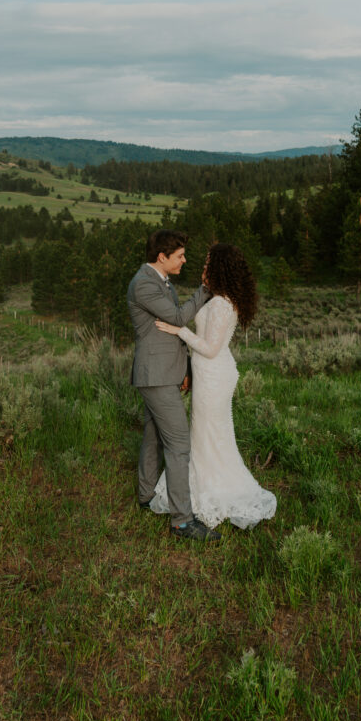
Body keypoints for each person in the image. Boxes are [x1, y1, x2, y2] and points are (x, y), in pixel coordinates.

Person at [153, 243, 276, 530]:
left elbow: (209, 348)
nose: (203, 266)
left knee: (209, 434)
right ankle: (196, 489)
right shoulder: (217, 298)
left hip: (214, 375)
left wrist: (179, 330)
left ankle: (214, 492)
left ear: (220, 267)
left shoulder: (222, 304)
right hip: (207, 374)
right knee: (205, 434)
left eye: (209, 262)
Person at [127, 229, 221, 541]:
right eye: (179, 256)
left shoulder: (160, 281)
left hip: (164, 372)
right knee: (179, 445)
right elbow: (179, 318)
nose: (184, 260)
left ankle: (145, 495)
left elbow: (168, 332)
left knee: (154, 435)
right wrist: (205, 288)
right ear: (161, 257)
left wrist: (184, 369)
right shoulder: (143, 284)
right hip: (154, 376)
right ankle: (182, 522)